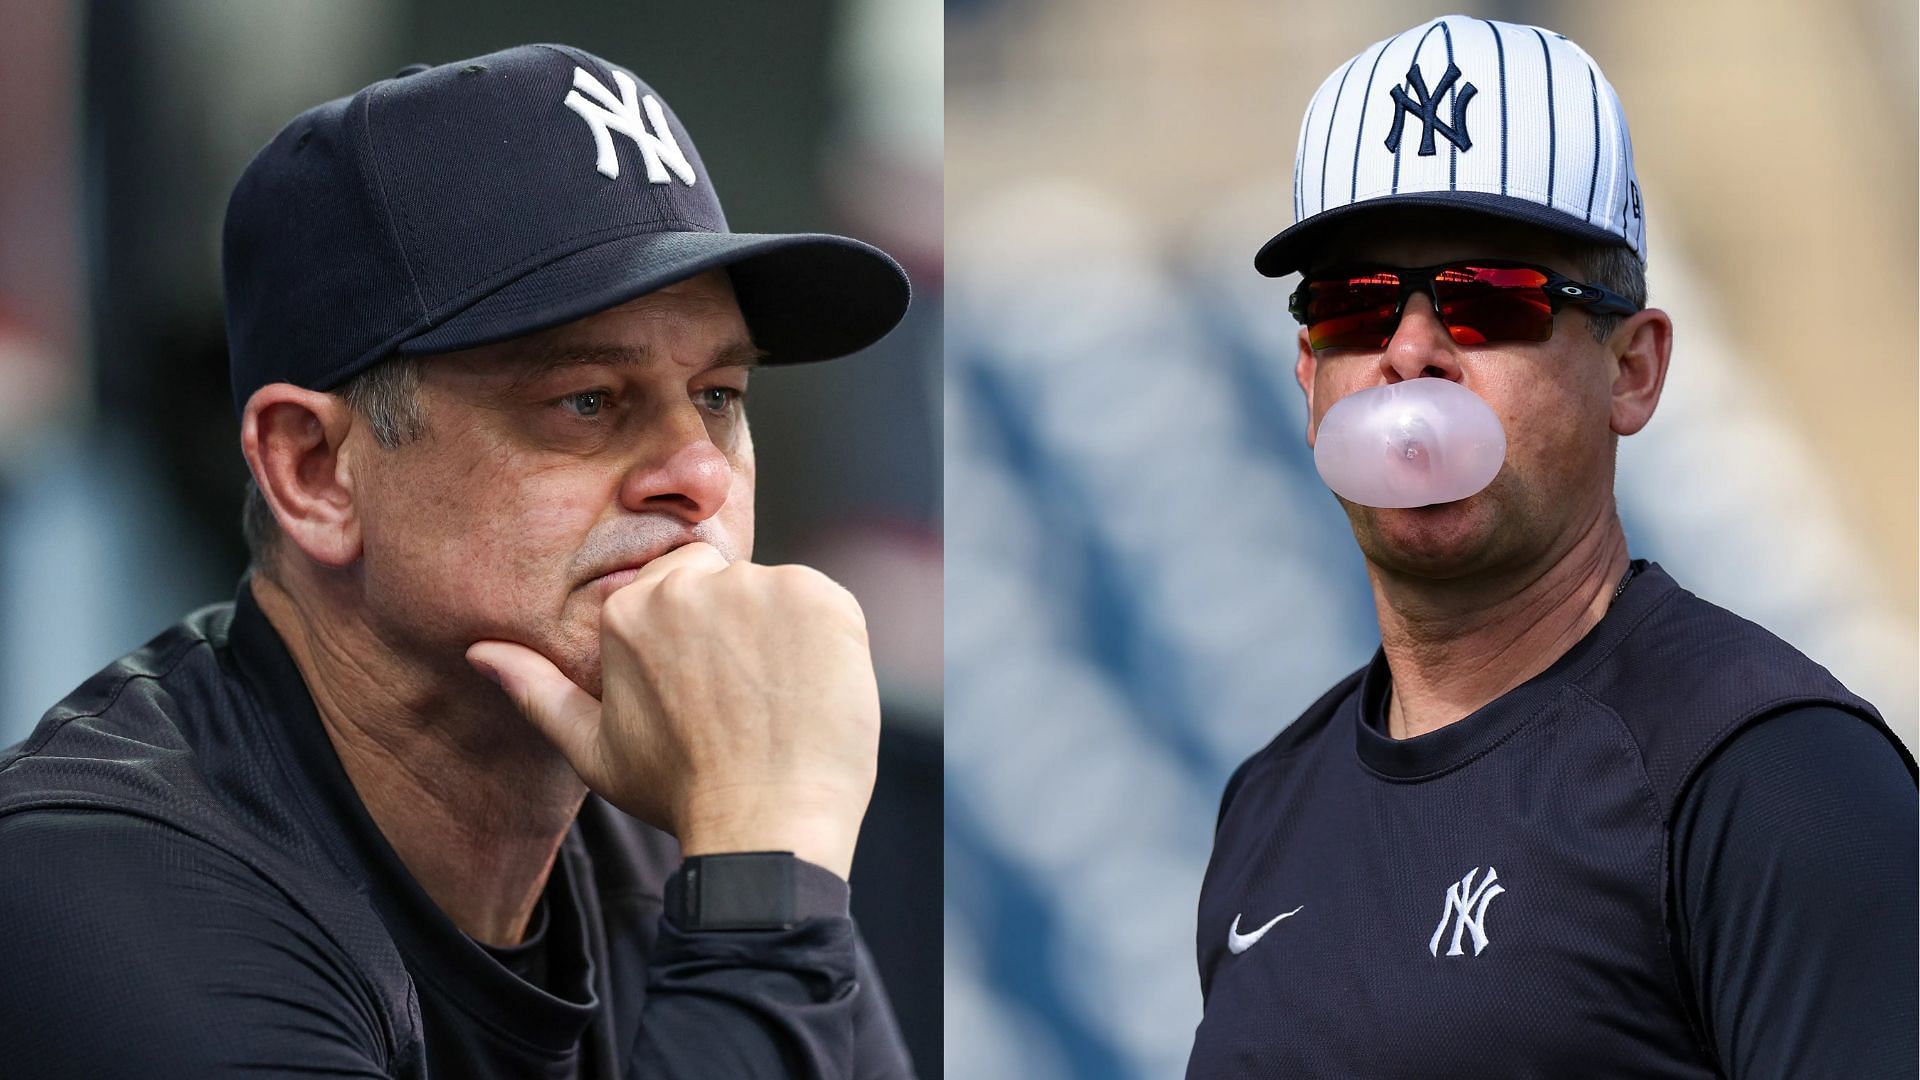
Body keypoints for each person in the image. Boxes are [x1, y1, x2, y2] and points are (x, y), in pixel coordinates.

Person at [0, 45, 917, 1078]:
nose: (699, 476)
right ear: (315, 472)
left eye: (718, 396)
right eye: (587, 401)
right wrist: (763, 875)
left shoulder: (680, 815)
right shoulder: (99, 888)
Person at [1188, 16, 1916, 1079]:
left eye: (1490, 301)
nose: (1409, 353)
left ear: (1632, 368)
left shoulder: (1776, 778)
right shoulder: (1270, 801)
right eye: (1353, 305)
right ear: (1310, 379)